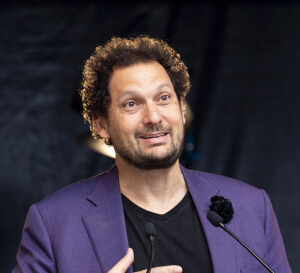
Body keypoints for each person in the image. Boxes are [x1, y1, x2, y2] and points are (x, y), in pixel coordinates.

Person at [13, 36, 291, 273]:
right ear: (101, 124)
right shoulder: (53, 224)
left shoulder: (252, 207)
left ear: (181, 108)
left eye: (164, 98)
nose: (153, 116)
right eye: (131, 103)